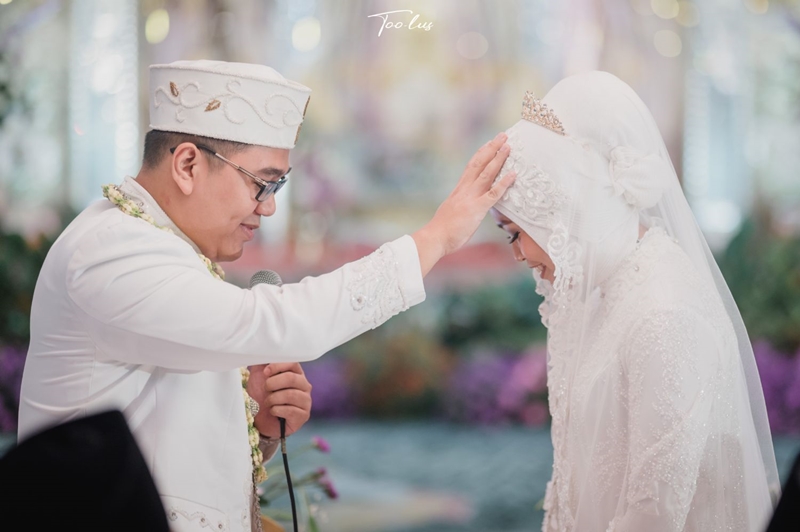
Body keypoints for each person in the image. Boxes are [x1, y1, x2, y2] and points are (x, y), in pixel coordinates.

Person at [17, 60, 515, 532]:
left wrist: (256, 423)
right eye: (262, 184)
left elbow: (170, 425)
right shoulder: (111, 248)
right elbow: (267, 322)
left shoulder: (165, 246)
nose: (269, 207)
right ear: (187, 164)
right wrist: (435, 239)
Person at [490, 71, 779, 532]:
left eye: (516, 233)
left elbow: (654, 515)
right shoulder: (608, 287)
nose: (519, 255)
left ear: (563, 206)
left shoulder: (664, 314)